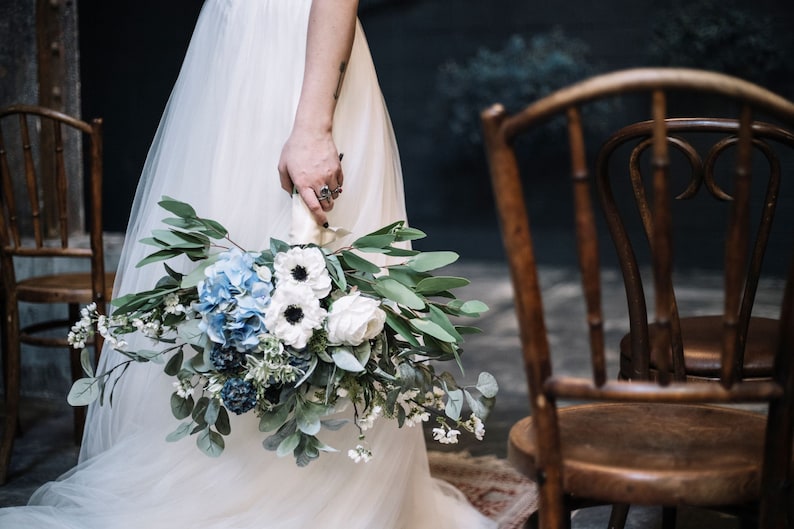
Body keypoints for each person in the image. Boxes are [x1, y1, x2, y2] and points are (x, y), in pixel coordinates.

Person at [0, 1, 496, 528]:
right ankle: (223, 477)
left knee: (324, 285)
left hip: (297, 62)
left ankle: (324, 498)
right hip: (228, 62)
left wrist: (312, 126)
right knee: (224, 272)